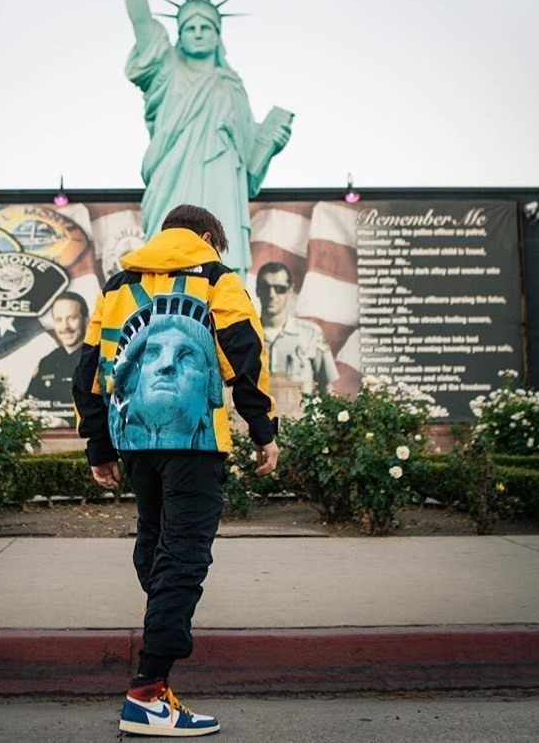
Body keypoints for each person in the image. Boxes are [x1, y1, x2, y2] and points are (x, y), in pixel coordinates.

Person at [73, 204, 278, 737]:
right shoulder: (216, 277)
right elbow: (245, 353)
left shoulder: (119, 282)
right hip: (195, 442)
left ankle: (157, 679)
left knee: (159, 546)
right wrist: (263, 429)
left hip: (137, 440)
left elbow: (90, 369)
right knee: (183, 556)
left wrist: (99, 446)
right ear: (208, 237)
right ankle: (145, 694)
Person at [111, 0, 292, 279]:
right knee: (166, 264)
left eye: (205, 27)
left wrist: (270, 146)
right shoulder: (167, 71)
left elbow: (249, 176)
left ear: (217, 36)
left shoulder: (232, 87)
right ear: (179, 34)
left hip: (223, 182)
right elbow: (141, 22)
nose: (197, 32)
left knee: (220, 271)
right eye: (189, 27)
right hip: (173, 176)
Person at [255, 262, 339, 394]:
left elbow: (327, 388)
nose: (271, 295)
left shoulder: (311, 334)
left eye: (280, 289)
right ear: (257, 290)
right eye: (265, 287)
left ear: (290, 291)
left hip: (300, 414)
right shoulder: (245, 336)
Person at [25, 292, 88, 423]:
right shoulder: (46, 362)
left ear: (86, 320)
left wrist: (68, 424)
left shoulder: (99, 359)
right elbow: (29, 406)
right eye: (59, 320)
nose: (65, 327)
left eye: (72, 318)